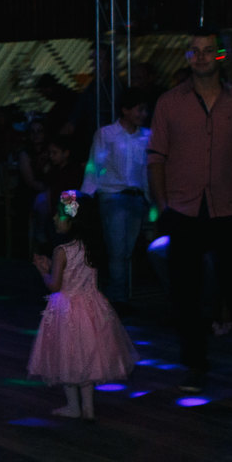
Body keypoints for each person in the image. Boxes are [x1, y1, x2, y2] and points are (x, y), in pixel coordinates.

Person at [147, 29, 232, 399]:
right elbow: (156, 158)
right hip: (184, 209)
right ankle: (195, 365)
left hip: (227, 210)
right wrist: (163, 207)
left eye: (209, 51)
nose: (203, 57)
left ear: (219, 56)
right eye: (196, 51)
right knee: (186, 297)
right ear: (187, 57)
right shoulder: (169, 103)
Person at [28, 191, 138, 420]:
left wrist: (43, 271)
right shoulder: (91, 248)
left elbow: (55, 286)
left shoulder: (61, 251)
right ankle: (88, 407)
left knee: (67, 357)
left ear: (72, 220)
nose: (54, 220)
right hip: (92, 307)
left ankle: (73, 406)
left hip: (67, 310)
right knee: (87, 357)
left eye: (59, 216)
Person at [80, 87, 151, 308]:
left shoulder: (147, 137)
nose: (143, 114)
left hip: (137, 197)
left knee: (125, 250)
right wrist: (86, 194)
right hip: (113, 196)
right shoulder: (107, 134)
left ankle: (117, 295)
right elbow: (95, 165)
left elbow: (148, 171)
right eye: (139, 110)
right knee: (118, 250)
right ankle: (118, 299)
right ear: (126, 110)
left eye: (144, 110)